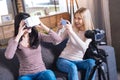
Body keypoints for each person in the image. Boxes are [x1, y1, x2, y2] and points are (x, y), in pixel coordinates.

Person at [4, 12, 62, 80]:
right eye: (25, 24)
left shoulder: (37, 36)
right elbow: (8, 56)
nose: (28, 26)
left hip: (41, 72)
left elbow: (58, 39)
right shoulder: (14, 40)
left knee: (49, 74)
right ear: (19, 26)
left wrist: (42, 25)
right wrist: (19, 35)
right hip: (26, 76)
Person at [56, 7, 96, 80]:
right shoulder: (71, 28)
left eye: (79, 18)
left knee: (92, 63)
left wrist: (71, 32)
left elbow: (83, 48)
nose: (76, 21)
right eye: (75, 18)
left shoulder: (89, 33)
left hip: (78, 61)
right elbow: (56, 42)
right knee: (72, 67)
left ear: (85, 19)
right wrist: (59, 29)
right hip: (63, 60)